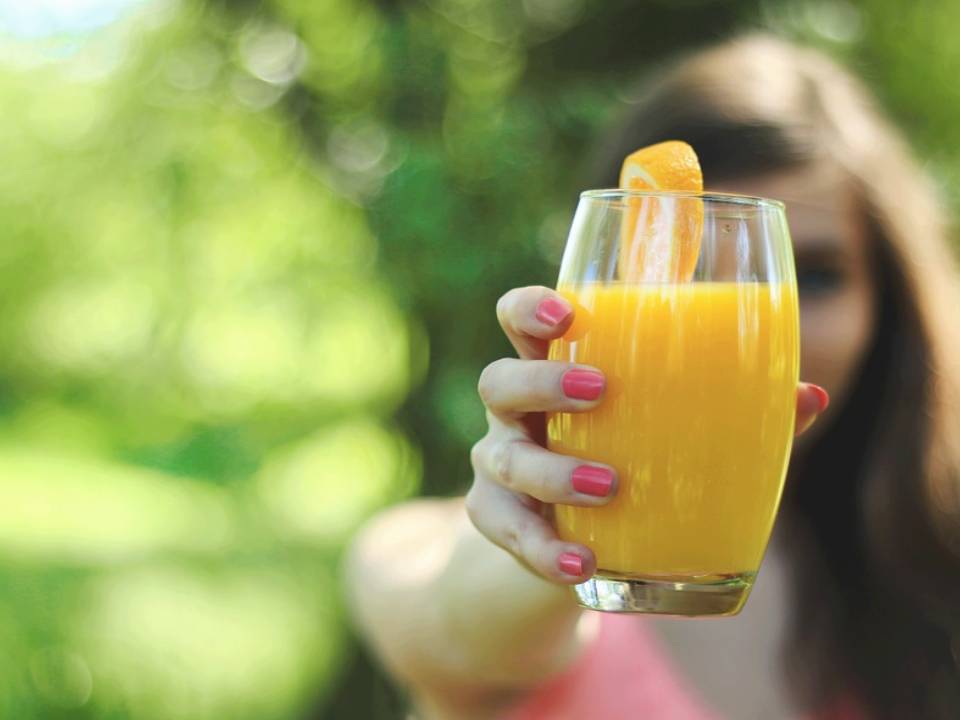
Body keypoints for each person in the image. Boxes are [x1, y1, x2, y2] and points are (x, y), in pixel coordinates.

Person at [345, 34, 960, 720]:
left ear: (889, 306)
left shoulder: (938, 561)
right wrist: (547, 547)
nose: (744, 318)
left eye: (811, 275)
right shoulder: (417, 549)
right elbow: (451, 631)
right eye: (688, 266)